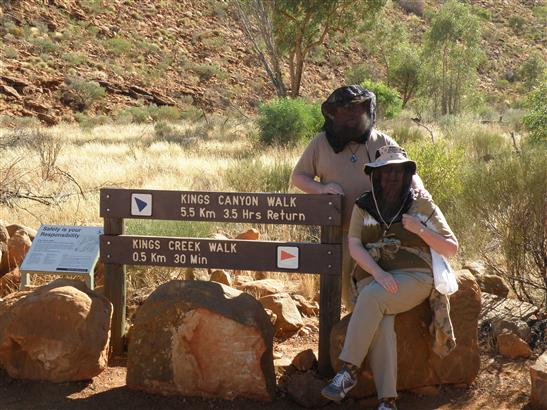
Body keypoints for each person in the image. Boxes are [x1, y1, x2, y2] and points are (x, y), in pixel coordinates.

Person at [320, 145, 458, 410]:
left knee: (372, 298)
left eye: (397, 171)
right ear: (375, 175)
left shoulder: (421, 203)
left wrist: (419, 229)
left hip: (414, 276)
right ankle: (387, 401)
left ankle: (348, 370)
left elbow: (451, 247)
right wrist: (378, 272)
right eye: (385, 172)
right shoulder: (363, 204)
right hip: (373, 275)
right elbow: (355, 245)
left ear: (407, 174)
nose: (391, 177)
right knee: (381, 323)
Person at [291, 85, 425, 309]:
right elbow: (298, 177)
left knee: (381, 292)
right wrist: (322, 189)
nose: (352, 115)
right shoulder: (320, 143)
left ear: (367, 111)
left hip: (382, 233)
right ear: (334, 113)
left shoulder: (382, 142)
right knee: (348, 294)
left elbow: (411, 175)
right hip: (340, 234)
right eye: (345, 110)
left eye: (357, 109)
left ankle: (375, 339)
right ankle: (352, 336)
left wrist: (420, 191)